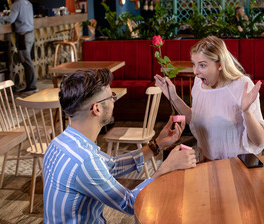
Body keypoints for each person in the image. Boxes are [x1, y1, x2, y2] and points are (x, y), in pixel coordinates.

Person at [43, 69, 196, 223]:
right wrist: (165, 168)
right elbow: (131, 204)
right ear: (97, 109)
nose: (114, 101)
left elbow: (112, 166)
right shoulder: (85, 161)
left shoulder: (60, 142)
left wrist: (157, 144)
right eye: (111, 97)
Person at [154, 36, 264, 161]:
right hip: (207, 162)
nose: (195, 71)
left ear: (220, 65)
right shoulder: (199, 84)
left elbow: (258, 141)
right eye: (194, 64)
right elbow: (196, 119)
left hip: (238, 164)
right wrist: (173, 97)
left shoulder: (242, 85)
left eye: (202, 65)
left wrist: (246, 112)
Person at [0, 0, 37, 92]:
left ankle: (32, 85)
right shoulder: (28, 3)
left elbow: (11, 19)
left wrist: (0, 18)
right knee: (27, 60)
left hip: (23, 36)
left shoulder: (16, 4)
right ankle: (31, 84)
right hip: (30, 34)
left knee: (26, 60)